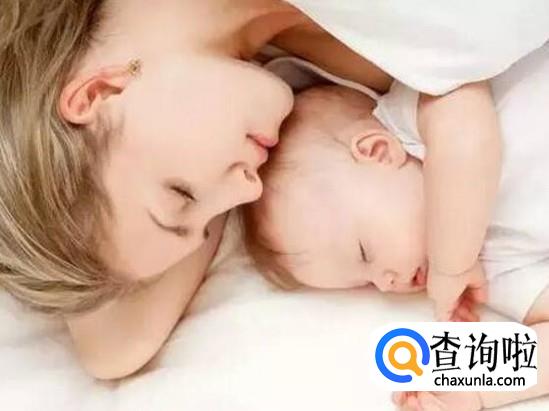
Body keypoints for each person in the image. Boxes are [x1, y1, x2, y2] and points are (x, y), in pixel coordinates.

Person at [1, 0, 548, 380]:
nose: (245, 191)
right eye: (206, 228)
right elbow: (114, 348)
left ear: (98, 93)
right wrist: (475, 385)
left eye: (182, 194)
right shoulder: (325, 103)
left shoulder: (414, 123)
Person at [243, 45, 549, 409]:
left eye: (364, 253)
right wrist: (470, 384)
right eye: (366, 282)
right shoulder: (489, 272)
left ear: (378, 151)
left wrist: (453, 262)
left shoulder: (420, 120)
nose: (385, 283)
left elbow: (469, 139)